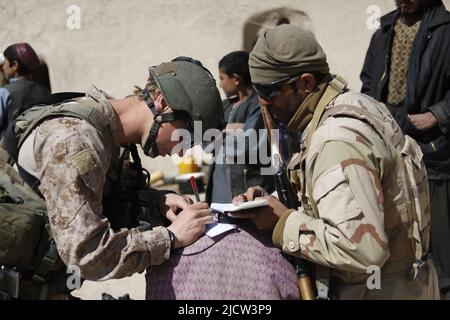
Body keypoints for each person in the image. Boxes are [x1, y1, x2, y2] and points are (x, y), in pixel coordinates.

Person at [231, 24, 439, 299]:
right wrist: (274, 205)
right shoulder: (358, 104)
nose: (264, 105)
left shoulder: (335, 140)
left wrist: (282, 223)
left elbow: (363, 250)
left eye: (270, 93)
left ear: (305, 83)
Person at [0, 57, 224, 299]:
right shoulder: (75, 140)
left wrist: (158, 202)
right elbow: (86, 254)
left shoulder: (110, 134)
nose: (183, 151)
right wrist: (170, 238)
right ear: (162, 105)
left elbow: (106, 200)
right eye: (187, 137)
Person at [360, 0, 450, 298]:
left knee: (439, 242)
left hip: (433, 151)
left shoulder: (446, 31)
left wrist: (438, 114)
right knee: (400, 235)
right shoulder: (383, 31)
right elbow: (369, 82)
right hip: (388, 145)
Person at [206, 51, 274, 204]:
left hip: (247, 186)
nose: (220, 83)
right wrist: (230, 131)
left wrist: (222, 133)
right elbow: (206, 141)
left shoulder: (258, 105)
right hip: (219, 186)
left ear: (236, 79)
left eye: (222, 78)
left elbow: (249, 143)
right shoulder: (224, 107)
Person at [0, 43, 50, 134]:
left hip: (10, 147)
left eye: (5, 61)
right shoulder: (45, 92)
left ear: (15, 65)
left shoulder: (5, 92)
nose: (3, 66)